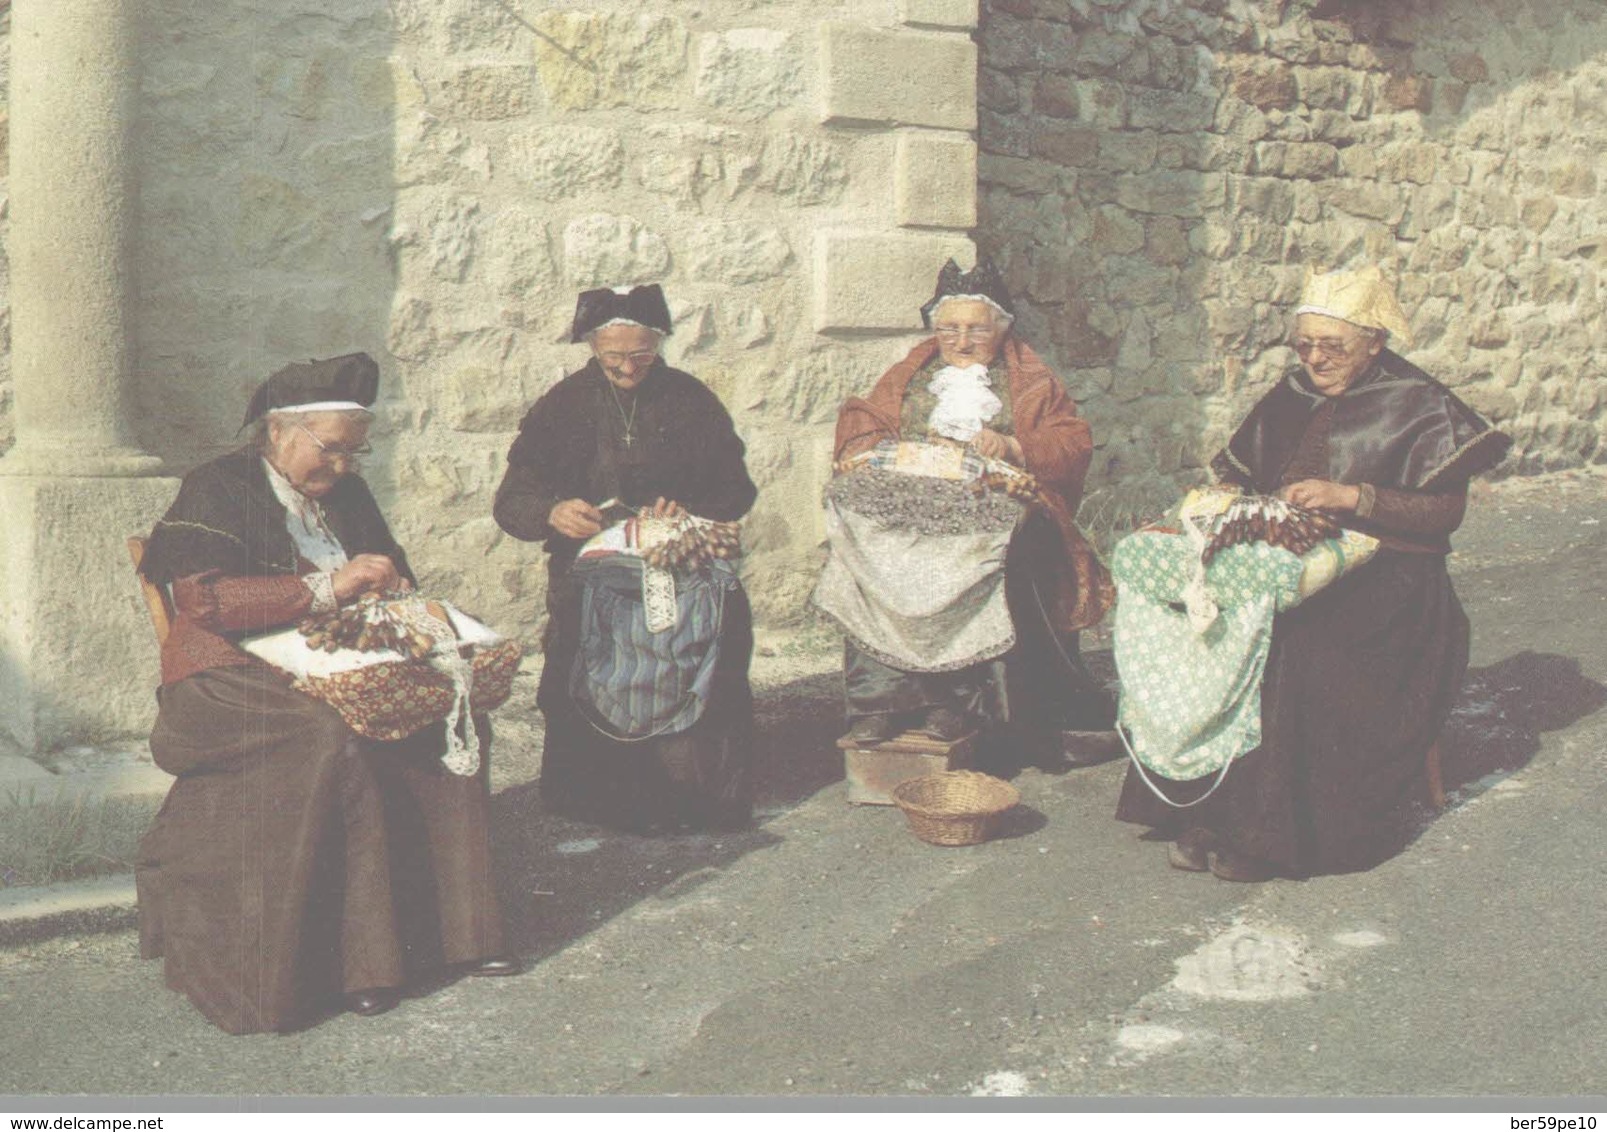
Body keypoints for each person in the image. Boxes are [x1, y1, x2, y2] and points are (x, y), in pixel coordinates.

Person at [135, 353, 516, 1034]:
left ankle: (456, 938)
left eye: (353, 451)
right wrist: (325, 588)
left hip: (337, 665)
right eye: (331, 449)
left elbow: (395, 573)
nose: (342, 466)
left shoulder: (350, 494)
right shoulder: (218, 486)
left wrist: (392, 592)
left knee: (444, 715)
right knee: (325, 738)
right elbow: (203, 600)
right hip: (225, 677)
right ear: (280, 432)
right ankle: (355, 966)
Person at [1115, 265, 1512, 880]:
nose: (1315, 359)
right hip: (1287, 558)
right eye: (1305, 345)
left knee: (1294, 640)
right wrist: (1217, 500)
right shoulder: (1292, 392)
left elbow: (1445, 512)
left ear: (1375, 342)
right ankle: (1207, 809)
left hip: (1395, 576)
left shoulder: (1418, 402)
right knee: (1202, 621)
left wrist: (1352, 497)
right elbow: (1243, 475)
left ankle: (1270, 835)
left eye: (1334, 347)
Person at [824, 258, 1115, 757]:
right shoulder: (910, 373)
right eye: (949, 329)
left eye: (975, 330)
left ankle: (955, 703)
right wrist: (874, 453)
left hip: (994, 501)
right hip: (910, 497)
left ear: (1001, 327)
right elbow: (866, 422)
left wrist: (1015, 447)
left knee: (975, 548)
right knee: (870, 541)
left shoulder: (1031, 380)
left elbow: (1072, 443)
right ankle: (883, 702)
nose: (960, 342)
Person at [494, 285, 759, 831]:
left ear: (658, 345)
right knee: (585, 669)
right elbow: (512, 499)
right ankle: (594, 799)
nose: (627, 367)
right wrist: (553, 511)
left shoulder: (691, 401)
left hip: (681, 567)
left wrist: (687, 507)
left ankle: (698, 798)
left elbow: (737, 489)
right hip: (590, 576)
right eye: (612, 356)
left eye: (640, 355)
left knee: (707, 664)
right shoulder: (561, 405)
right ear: (592, 347)